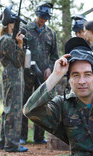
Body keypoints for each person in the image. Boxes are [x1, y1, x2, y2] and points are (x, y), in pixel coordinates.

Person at [20, 1, 59, 145]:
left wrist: (49, 67)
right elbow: (19, 50)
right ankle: (22, 136)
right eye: (42, 17)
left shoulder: (51, 34)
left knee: (41, 105)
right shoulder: (25, 29)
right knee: (25, 103)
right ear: (37, 14)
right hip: (26, 73)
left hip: (43, 75)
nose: (43, 20)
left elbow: (55, 56)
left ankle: (38, 137)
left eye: (46, 18)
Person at [0, 5, 28, 152]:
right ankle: (12, 144)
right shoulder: (7, 41)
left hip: (10, 75)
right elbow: (18, 61)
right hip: (13, 75)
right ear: (10, 24)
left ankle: (4, 142)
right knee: (14, 110)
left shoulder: (5, 39)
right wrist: (20, 45)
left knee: (8, 108)